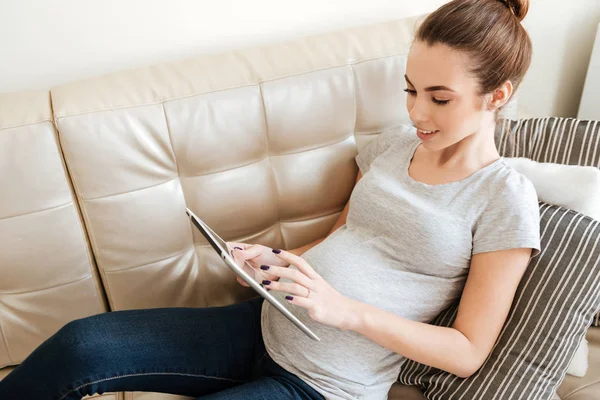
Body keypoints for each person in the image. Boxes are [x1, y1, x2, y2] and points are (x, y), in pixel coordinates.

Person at [0, 0, 541, 399]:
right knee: (81, 345)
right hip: (264, 322)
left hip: (325, 384)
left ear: (497, 96)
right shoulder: (395, 147)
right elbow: (343, 238)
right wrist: (276, 264)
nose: (416, 113)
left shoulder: (503, 197)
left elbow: (468, 352)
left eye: (439, 98)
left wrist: (345, 311)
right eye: (410, 90)